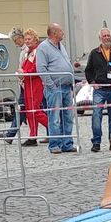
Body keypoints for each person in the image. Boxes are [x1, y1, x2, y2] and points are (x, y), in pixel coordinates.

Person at [83, 27, 111, 153]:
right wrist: (93, 83)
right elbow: (88, 71)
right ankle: (96, 142)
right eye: (104, 36)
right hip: (100, 90)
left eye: (108, 35)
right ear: (100, 38)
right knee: (96, 116)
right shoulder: (94, 53)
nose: (107, 38)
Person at [36, 22, 77, 154]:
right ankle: (55, 144)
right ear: (54, 33)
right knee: (55, 118)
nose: (63, 33)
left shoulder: (61, 46)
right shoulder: (43, 48)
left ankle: (67, 143)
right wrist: (51, 86)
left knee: (68, 117)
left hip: (66, 87)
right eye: (60, 31)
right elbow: (41, 68)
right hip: (55, 88)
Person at [4, 29, 47, 146]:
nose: (27, 41)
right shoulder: (29, 52)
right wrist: (22, 72)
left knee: (35, 110)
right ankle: (33, 136)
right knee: (29, 111)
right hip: (28, 83)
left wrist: (25, 72)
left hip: (35, 83)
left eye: (29, 39)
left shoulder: (37, 51)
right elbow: (27, 66)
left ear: (35, 39)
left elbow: (37, 68)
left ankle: (53, 129)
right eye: (26, 39)